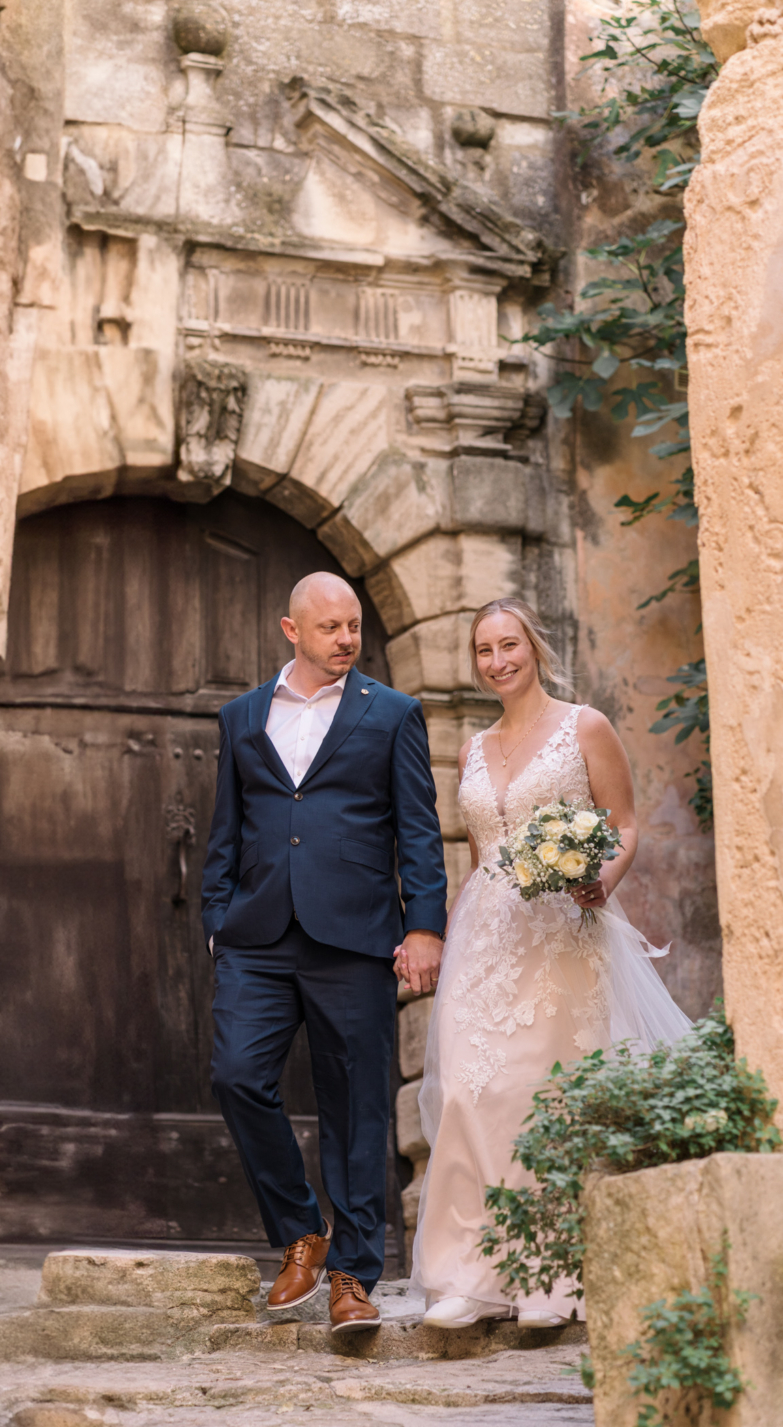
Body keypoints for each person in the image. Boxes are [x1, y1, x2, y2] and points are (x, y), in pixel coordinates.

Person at [412, 598, 692, 1329]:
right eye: (483, 651)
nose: (498, 661)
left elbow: (624, 825)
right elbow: (476, 858)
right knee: (468, 1097)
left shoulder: (584, 726)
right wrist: (450, 936)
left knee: (542, 1099)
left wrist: (600, 881)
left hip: (562, 934)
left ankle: (555, 1277)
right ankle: (470, 1276)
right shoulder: (472, 748)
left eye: (509, 645)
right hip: (484, 941)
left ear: (534, 648)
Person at [203, 571, 447, 1334]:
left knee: (357, 1109)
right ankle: (303, 1233)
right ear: (292, 631)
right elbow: (227, 828)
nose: (347, 639)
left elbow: (418, 827)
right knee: (237, 1075)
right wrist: (218, 918)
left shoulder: (394, 714)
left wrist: (424, 926)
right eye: (331, 628)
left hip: (355, 935)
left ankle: (353, 1278)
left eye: (354, 627)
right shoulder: (242, 715)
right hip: (258, 937)